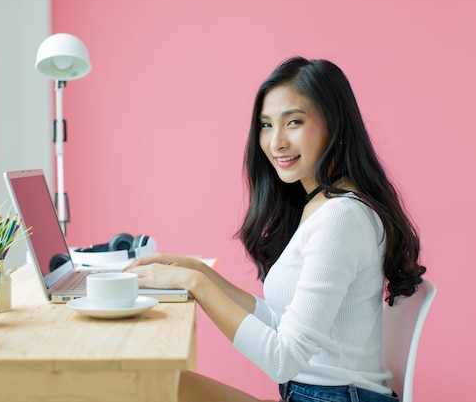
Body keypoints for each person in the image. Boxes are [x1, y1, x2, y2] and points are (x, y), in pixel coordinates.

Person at [126, 57, 426, 402]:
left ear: (335, 126)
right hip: (325, 396)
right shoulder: (321, 204)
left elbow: (282, 358)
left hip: (336, 397)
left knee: (150, 390)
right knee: (158, 386)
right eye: (266, 125)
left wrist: (193, 284)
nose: (276, 142)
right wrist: (200, 273)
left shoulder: (341, 218)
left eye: (293, 122)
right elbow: (279, 319)